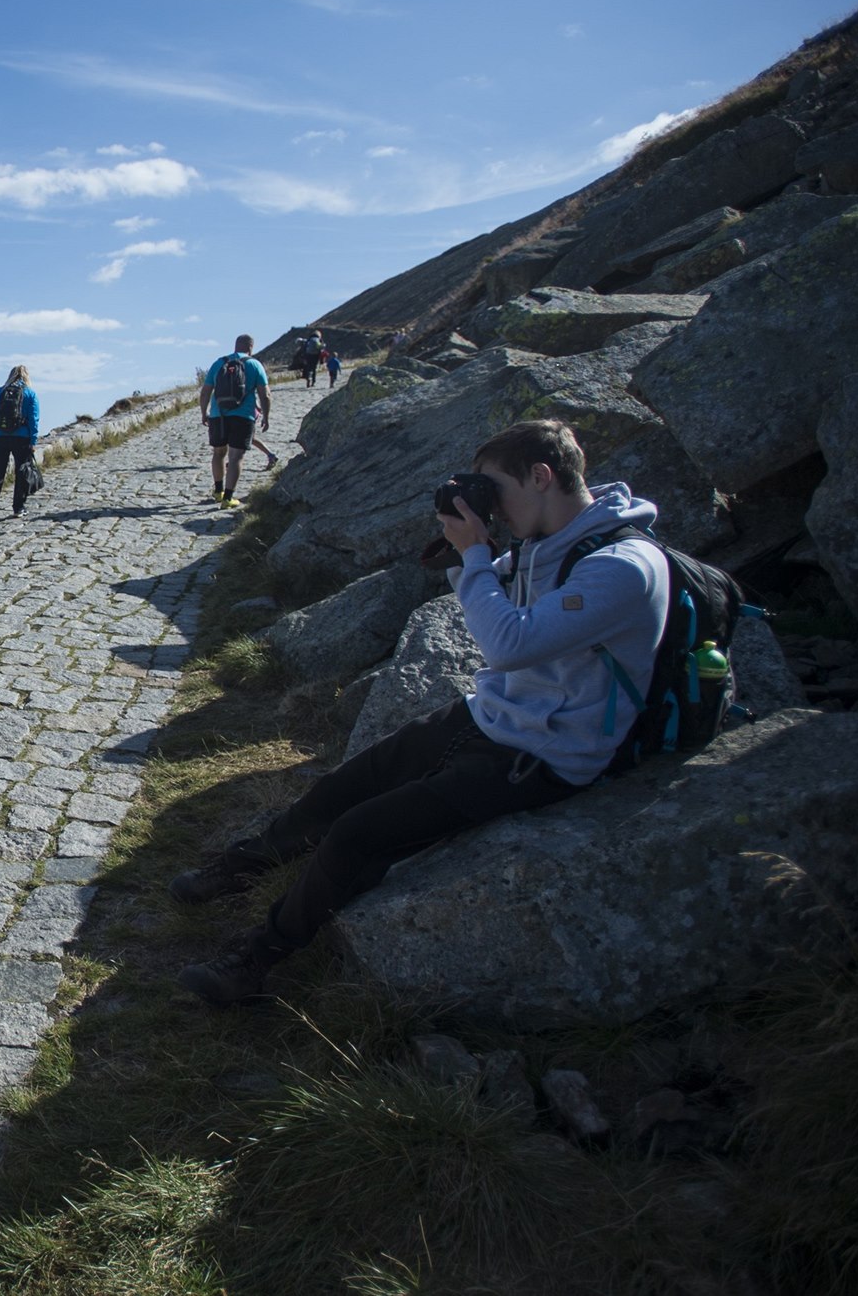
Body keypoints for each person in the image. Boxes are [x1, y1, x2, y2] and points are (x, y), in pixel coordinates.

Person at [171, 420, 668, 1005]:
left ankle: (255, 961)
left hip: (547, 753)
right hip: (496, 716)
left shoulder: (622, 564)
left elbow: (509, 644)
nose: (491, 506)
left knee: (360, 834)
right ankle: (242, 867)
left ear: (541, 476)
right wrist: (465, 551)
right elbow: (487, 597)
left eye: (495, 489)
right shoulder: (544, 543)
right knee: (345, 786)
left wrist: (476, 553)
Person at [201, 334, 271, 509]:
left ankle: (218, 491)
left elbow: (206, 391)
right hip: (243, 416)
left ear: (235, 346)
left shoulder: (219, 363)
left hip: (218, 415)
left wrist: (204, 412)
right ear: (251, 347)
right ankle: (228, 498)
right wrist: (266, 416)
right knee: (236, 457)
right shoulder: (255, 365)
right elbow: (265, 394)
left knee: (218, 453)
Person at [0, 364, 40, 525]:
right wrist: (33, 441)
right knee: (21, 472)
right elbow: (34, 420)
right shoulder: (30, 394)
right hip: (22, 438)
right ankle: (18, 508)